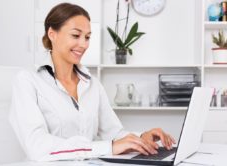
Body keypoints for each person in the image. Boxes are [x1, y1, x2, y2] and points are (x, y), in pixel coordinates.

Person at [9, 2, 175, 161]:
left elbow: (114, 134)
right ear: (52, 34)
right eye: (76, 35)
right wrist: (106, 148)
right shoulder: (28, 81)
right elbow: (37, 146)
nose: (83, 44)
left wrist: (141, 137)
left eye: (87, 37)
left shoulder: (92, 84)